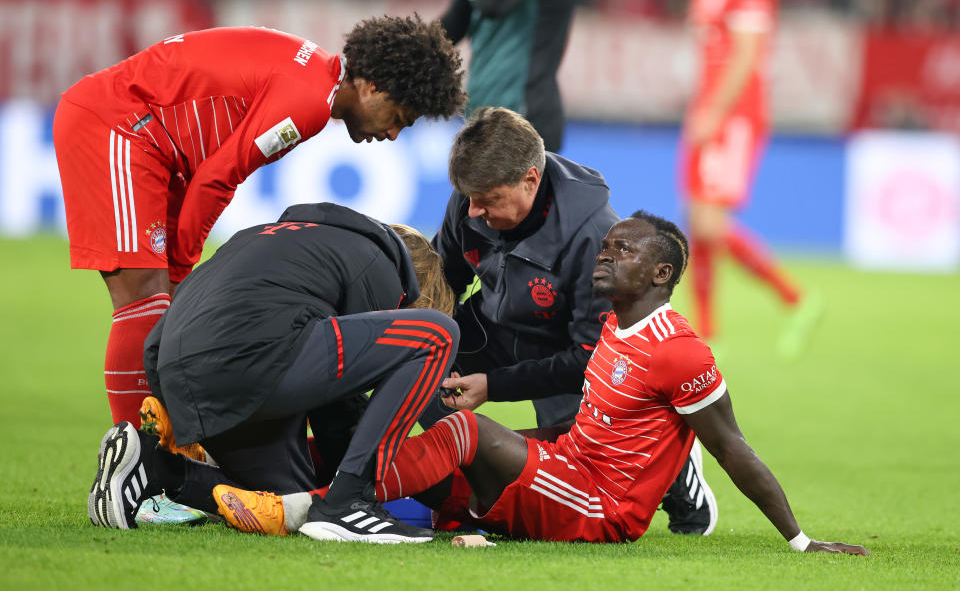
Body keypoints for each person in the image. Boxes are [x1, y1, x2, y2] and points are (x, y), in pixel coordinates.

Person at [216, 211, 869, 555]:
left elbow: (735, 447)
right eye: (606, 245)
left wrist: (800, 539)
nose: (607, 254)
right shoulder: (615, 330)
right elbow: (590, 426)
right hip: (572, 470)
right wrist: (504, 413)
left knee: (464, 435)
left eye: (625, 250)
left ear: (663, 275)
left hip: (602, 509)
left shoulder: (680, 354)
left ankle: (307, 508)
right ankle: (321, 497)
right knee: (452, 444)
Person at [53, 16, 465, 433]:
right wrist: (182, 269)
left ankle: (158, 450)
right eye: (399, 116)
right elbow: (218, 178)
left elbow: (214, 173)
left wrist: (180, 271)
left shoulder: (312, 74)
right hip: (119, 125)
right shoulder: (308, 104)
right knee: (145, 299)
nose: (393, 134)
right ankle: (134, 460)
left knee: (159, 302)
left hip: (159, 145)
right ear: (373, 85)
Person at [87, 203, 460, 544]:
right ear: (415, 291)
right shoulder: (382, 267)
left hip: (184, 372)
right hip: (252, 357)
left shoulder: (269, 237)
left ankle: (157, 467)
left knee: (291, 505)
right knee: (439, 335)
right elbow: (337, 407)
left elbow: (159, 340)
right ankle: (350, 504)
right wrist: (357, 485)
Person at [425, 106, 714, 535]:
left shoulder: (595, 237)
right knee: (424, 367)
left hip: (569, 351)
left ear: (530, 179)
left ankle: (678, 476)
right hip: (495, 325)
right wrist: (424, 335)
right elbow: (444, 279)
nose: (472, 212)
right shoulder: (474, 196)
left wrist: (495, 385)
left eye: (488, 202)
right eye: (469, 199)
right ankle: (466, 499)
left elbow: (589, 354)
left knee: (591, 449)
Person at [682, 0, 818, 355]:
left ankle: (796, 299)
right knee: (697, 221)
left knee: (710, 221)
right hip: (709, 107)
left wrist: (715, 109)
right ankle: (708, 333)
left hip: (734, 114)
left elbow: (747, 54)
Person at [441, 0, 577, 152]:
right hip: (480, 113)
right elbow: (452, 25)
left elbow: (493, 3)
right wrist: (406, 51)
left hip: (525, 116)